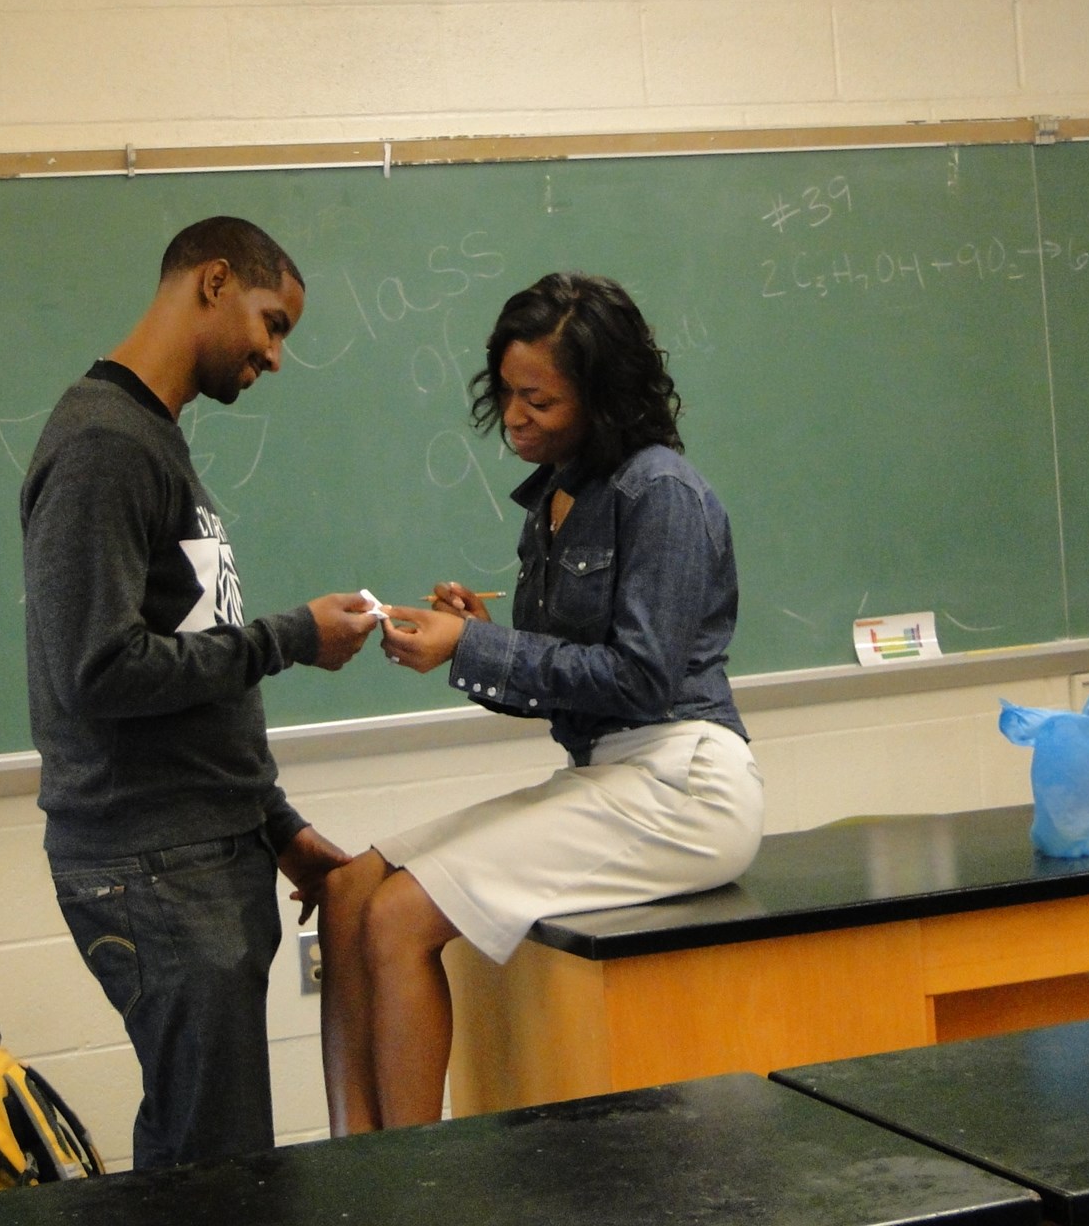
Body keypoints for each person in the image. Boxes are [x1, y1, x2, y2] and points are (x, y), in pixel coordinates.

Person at [317, 271, 765, 1134]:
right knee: (348, 892)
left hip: (687, 784)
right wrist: (472, 638)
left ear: (603, 398)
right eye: (507, 394)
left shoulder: (660, 491)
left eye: (539, 400)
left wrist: (480, 649)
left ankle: (408, 1179)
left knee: (400, 916)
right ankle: (355, 1166)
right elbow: (559, 676)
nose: (515, 419)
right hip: (608, 773)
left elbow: (641, 680)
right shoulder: (555, 499)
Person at [20, 215, 379, 1171]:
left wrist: (276, 827)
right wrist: (292, 638)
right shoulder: (106, 445)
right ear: (212, 282)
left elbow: (188, 674)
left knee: (215, 1156)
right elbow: (98, 673)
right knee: (211, 1173)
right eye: (272, 323)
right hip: (153, 866)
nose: (274, 354)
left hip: (197, 852)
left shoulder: (153, 440)